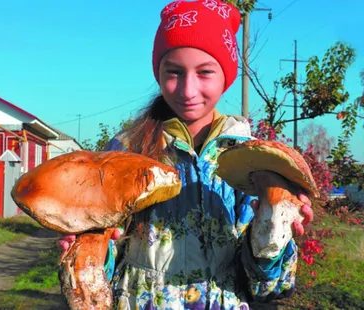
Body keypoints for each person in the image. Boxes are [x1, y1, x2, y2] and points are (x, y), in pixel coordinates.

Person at [59, 1, 314, 309]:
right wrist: (89, 253)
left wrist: (275, 237)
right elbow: (109, 252)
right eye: (174, 72)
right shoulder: (126, 152)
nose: (188, 89)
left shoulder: (250, 161)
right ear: (158, 72)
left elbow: (267, 289)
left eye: (205, 72)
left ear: (226, 76)